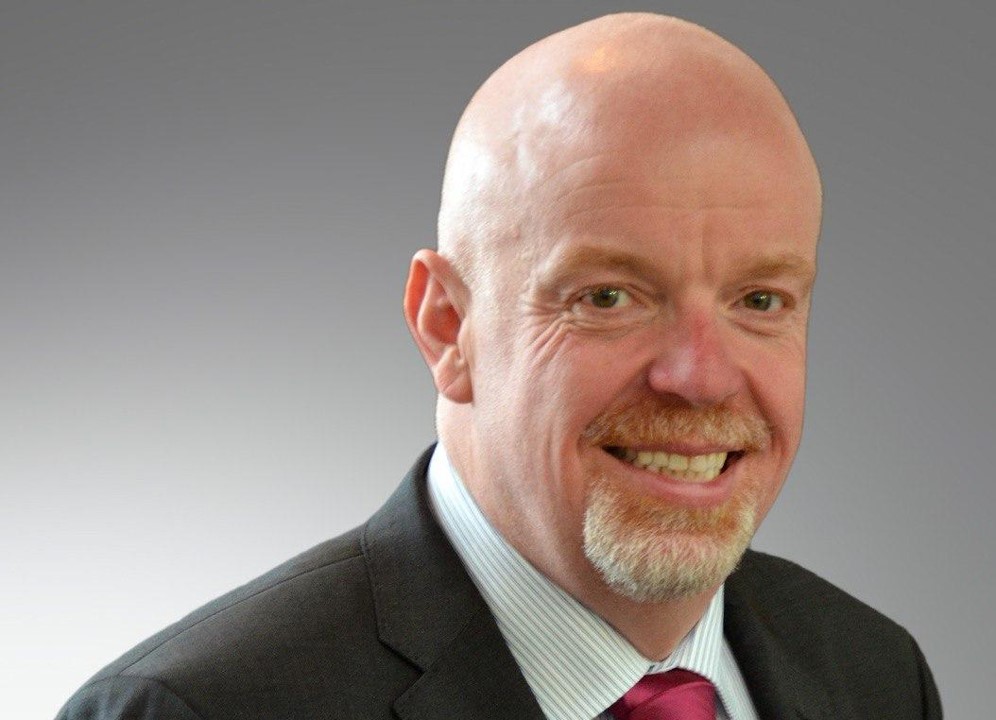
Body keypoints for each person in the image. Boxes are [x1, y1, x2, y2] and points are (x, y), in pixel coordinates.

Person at [57, 12, 942, 720]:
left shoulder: (874, 676)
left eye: (761, 301)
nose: (702, 376)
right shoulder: (196, 709)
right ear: (448, 328)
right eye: (608, 296)